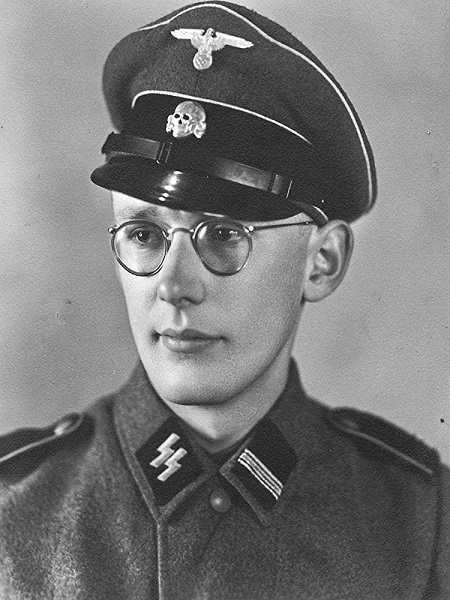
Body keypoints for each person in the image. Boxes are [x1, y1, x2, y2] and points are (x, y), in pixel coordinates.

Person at [0, 1, 448, 598]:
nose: (173, 285)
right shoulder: (15, 510)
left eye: (224, 235)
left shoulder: (419, 524)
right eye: (144, 234)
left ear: (322, 262)